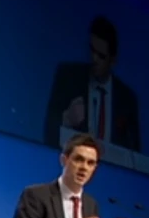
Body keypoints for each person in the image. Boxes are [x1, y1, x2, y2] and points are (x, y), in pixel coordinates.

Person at [44, 15, 141, 152]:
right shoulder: (68, 77)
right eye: (91, 50)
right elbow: (48, 132)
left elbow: (135, 153)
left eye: (101, 55)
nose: (93, 59)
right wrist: (66, 120)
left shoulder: (127, 99)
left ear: (113, 60)